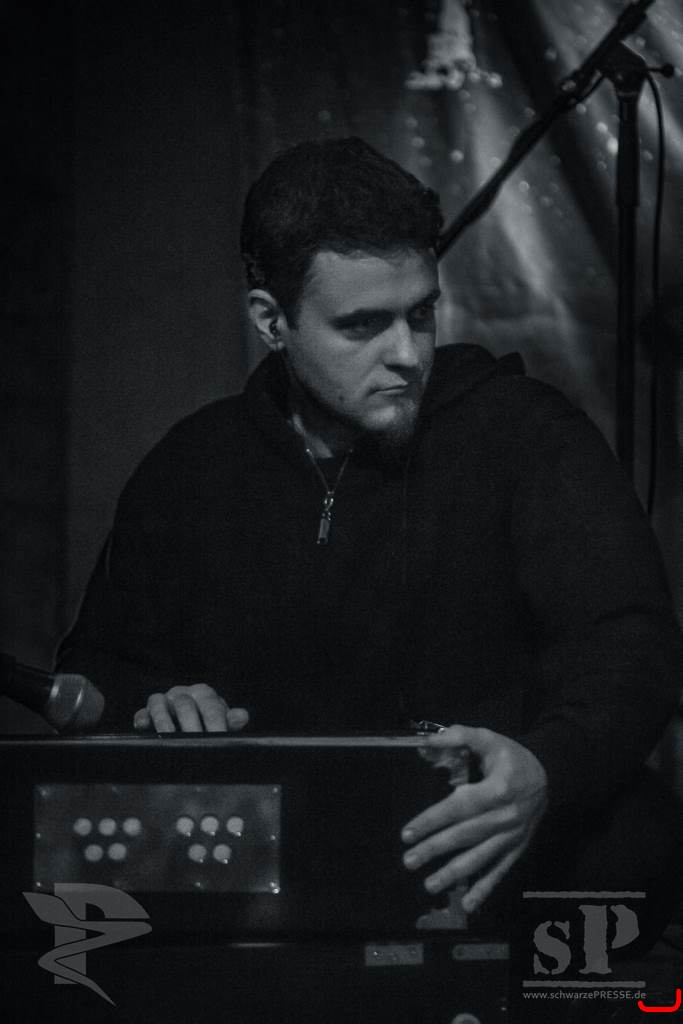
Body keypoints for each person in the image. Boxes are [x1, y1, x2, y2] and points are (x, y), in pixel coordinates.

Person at [58, 137, 683, 925]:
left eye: (420, 314)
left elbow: (629, 640)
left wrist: (547, 767)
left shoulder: (525, 435)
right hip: (266, 891)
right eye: (361, 326)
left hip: (495, 881)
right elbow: (95, 672)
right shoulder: (189, 470)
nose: (406, 354)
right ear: (271, 320)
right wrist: (153, 704)